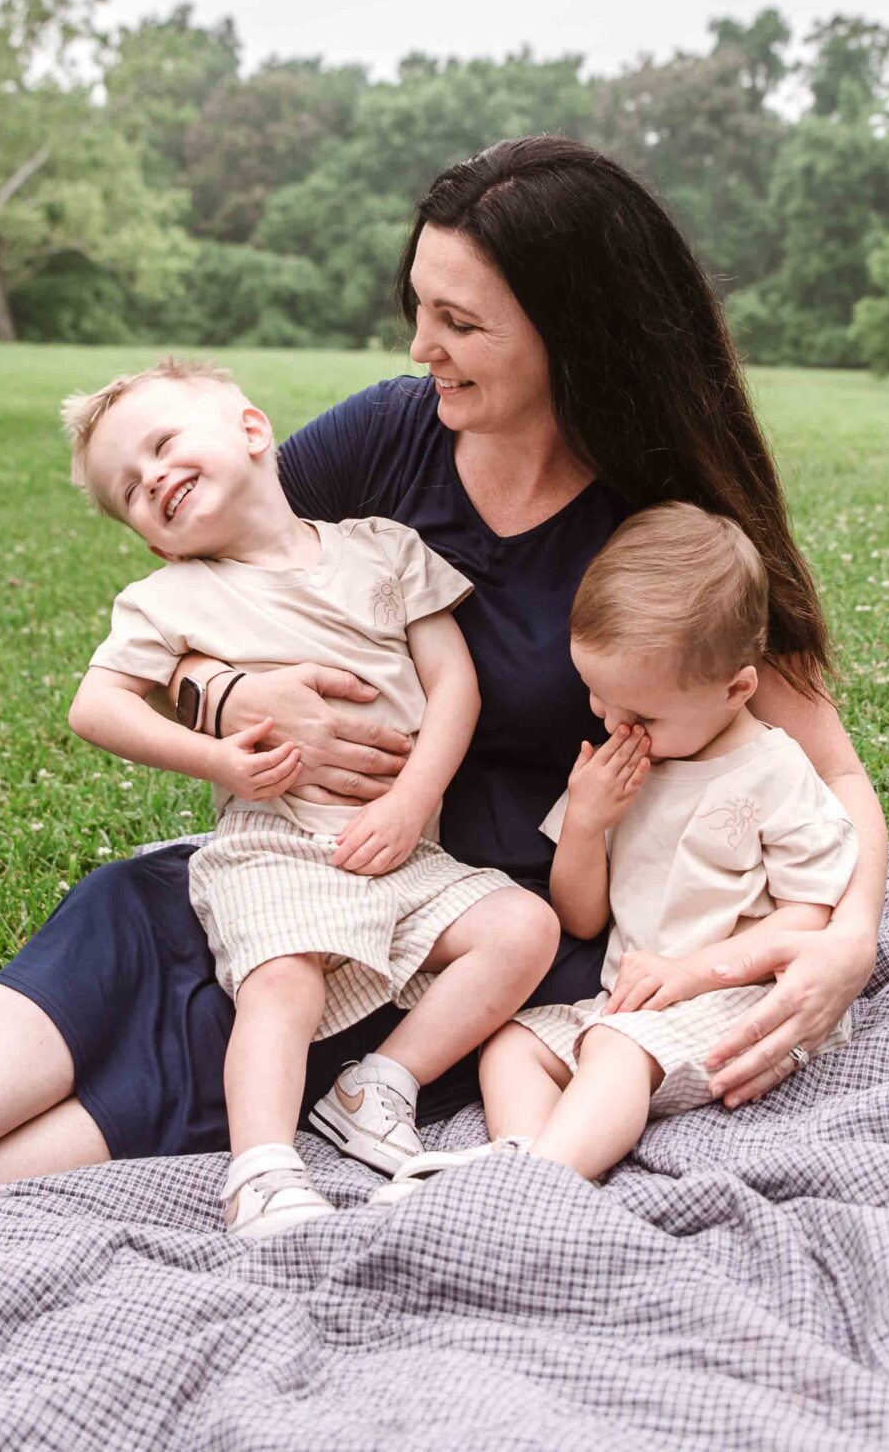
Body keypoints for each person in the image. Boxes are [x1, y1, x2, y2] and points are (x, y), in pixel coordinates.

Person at [0, 136, 886, 1282]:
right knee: (134, 910)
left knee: (223, 1017)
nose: (423, 344)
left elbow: (827, 766)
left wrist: (845, 938)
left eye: (461, 323)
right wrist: (233, 690)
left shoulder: (663, 529)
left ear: (571, 330)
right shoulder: (394, 433)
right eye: (419, 305)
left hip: (494, 921)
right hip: (322, 844)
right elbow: (205, 588)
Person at [60, 358, 560, 1237]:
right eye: (130, 489)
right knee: (282, 979)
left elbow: (455, 685)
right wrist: (216, 759)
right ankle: (260, 1171)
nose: (154, 478)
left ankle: (380, 1084)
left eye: (164, 444)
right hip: (278, 847)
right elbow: (94, 706)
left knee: (524, 927)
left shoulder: (384, 548)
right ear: (152, 541)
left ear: (252, 431)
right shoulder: (171, 597)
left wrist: (411, 800)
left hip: (402, 849)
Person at [382, 504, 857, 1195]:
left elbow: (809, 915)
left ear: (736, 689)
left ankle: (541, 1183)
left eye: (639, 714)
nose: (611, 723)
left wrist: (692, 971)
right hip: (638, 1004)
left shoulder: (774, 771)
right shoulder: (621, 770)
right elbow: (583, 918)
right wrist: (584, 824)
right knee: (513, 1043)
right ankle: (523, 1152)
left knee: (613, 1047)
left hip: (740, 998)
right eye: (597, 697)